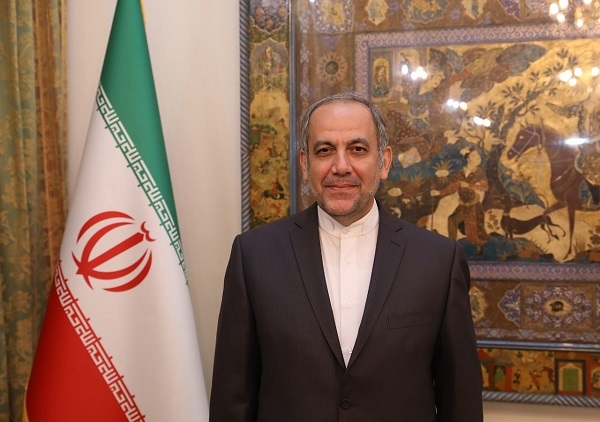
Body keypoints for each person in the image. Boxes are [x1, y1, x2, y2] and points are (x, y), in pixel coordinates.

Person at [210, 92, 483, 421]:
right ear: (305, 164)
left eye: (357, 149)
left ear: (384, 162)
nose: (340, 167)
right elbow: (232, 399)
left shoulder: (439, 261)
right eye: (325, 150)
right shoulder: (254, 256)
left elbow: (461, 401)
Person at [431, 146, 488, 257]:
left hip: (474, 204)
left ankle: (480, 250)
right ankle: (452, 246)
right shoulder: (461, 172)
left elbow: (484, 187)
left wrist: (469, 185)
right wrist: (439, 192)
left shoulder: (479, 172)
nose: (477, 157)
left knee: (476, 227)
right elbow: (453, 186)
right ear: (467, 158)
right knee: (452, 219)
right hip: (463, 204)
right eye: (474, 155)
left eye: (478, 155)